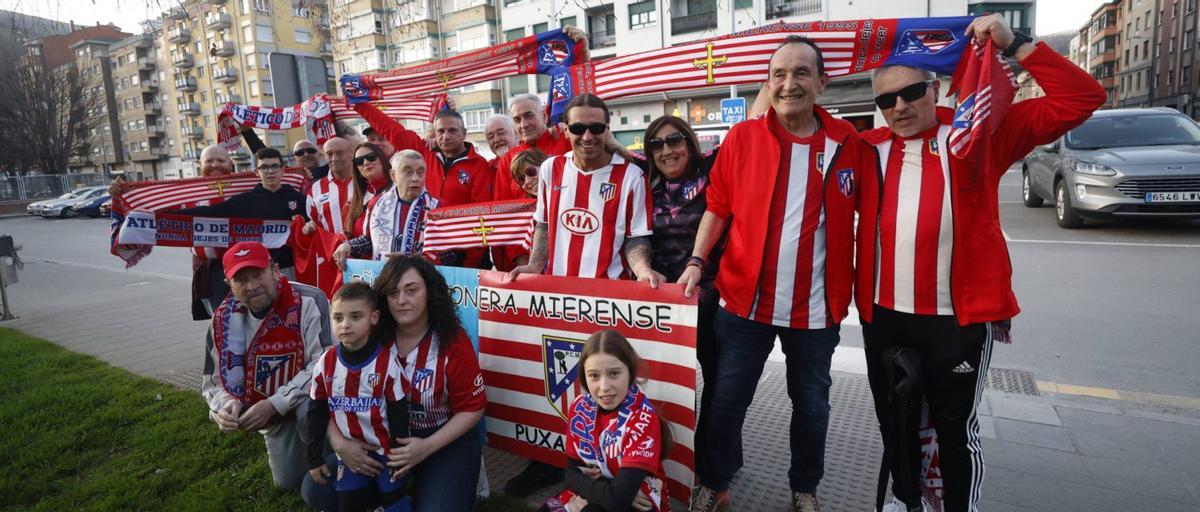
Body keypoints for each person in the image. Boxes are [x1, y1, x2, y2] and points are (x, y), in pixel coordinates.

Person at [857, 15, 1106, 512]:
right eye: (886, 100)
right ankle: (908, 501)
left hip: (956, 318)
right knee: (894, 419)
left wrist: (1015, 44)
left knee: (954, 428)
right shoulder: (863, 150)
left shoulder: (978, 132)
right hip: (883, 315)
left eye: (911, 93)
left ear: (936, 88)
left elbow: (1082, 98)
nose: (900, 107)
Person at [679, 36, 866, 512]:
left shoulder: (850, 145)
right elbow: (717, 209)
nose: (789, 84)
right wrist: (698, 262)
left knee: (813, 408)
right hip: (744, 305)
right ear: (768, 84)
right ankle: (714, 483)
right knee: (725, 402)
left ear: (822, 83)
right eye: (779, 74)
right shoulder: (741, 139)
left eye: (802, 72)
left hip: (817, 309)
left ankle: (804, 488)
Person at [327, 255, 488, 511]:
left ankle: (445, 484)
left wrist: (426, 448)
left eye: (411, 290)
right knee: (318, 490)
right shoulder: (369, 337)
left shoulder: (452, 341)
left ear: (429, 292)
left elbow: (474, 408)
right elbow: (329, 397)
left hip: (441, 439)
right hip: (382, 439)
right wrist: (340, 443)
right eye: (393, 293)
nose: (402, 300)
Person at [623, 116, 725, 476]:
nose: (666, 150)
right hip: (664, 301)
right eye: (656, 144)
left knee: (719, 384)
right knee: (674, 384)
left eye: (675, 140)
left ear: (691, 142)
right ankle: (679, 456)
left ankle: (716, 461)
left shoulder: (713, 169)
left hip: (713, 297)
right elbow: (613, 147)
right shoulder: (645, 183)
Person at [200, 241, 326, 493]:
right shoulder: (221, 320)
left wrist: (274, 403)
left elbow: (323, 364)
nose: (251, 286)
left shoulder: (311, 300)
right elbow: (212, 383)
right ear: (228, 284)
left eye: (258, 274)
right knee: (286, 483)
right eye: (241, 279)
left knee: (309, 412)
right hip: (270, 418)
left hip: (305, 403)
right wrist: (225, 406)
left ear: (275, 271)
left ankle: (331, 458)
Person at [509, 93, 661, 284]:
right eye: (578, 128)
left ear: (607, 130)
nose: (587, 137)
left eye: (596, 128)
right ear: (566, 131)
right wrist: (535, 265)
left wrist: (642, 269)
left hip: (608, 294)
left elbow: (636, 238)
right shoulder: (550, 168)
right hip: (556, 291)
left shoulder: (631, 176)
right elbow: (544, 225)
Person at [306, 282, 412, 512]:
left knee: (395, 501)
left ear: (373, 318)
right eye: (338, 318)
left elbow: (399, 412)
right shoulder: (326, 363)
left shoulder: (386, 362)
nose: (345, 325)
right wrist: (314, 458)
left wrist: (399, 456)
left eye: (355, 316)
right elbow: (316, 412)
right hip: (350, 453)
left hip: (387, 453)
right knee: (349, 504)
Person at [541, 330, 672, 512]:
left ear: (630, 372)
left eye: (613, 374)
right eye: (594, 375)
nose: (604, 387)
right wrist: (601, 490)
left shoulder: (643, 418)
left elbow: (616, 501)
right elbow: (570, 474)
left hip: (642, 504)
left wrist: (585, 490)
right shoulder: (579, 407)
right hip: (606, 491)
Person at [173, 147, 308, 279]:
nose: (270, 171)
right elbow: (209, 212)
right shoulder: (245, 201)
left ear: (283, 169)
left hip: (292, 267)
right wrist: (170, 214)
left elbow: (316, 224)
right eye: (264, 167)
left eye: (275, 166)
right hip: (259, 270)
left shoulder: (298, 199)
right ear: (257, 172)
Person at [350, 105, 493, 209]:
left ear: (464, 133)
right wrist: (360, 104)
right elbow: (391, 129)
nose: (446, 136)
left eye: (453, 130)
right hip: (424, 240)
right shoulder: (423, 152)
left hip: (459, 241)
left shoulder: (479, 165)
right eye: (441, 131)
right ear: (435, 134)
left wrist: (473, 251)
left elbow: (480, 209)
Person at [333, 150, 438, 266]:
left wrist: (413, 259)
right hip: (385, 276)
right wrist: (348, 246)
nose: (415, 178)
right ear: (393, 176)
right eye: (408, 172)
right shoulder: (376, 203)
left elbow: (450, 253)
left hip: (422, 277)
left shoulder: (437, 206)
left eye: (420, 173)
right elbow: (369, 240)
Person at [492, 93, 571, 202]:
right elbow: (502, 206)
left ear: (544, 117)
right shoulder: (507, 160)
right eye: (517, 120)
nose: (524, 125)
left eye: (529, 116)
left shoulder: (566, 140)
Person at [489, 148, 545, 272]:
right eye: (521, 179)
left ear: (546, 166)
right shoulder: (526, 213)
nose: (527, 182)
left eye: (530, 172)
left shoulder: (567, 198)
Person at [305, 137, 357, 238]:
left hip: (364, 250)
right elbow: (315, 223)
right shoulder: (315, 188)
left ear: (352, 153)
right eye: (329, 154)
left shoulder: (365, 181)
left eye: (340, 153)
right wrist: (308, 227)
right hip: (331, 251)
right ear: (324, 156)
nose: (334, 158)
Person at [345, 142, 395, 239]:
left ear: (382, 159)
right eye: (359, 161)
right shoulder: (355, 200)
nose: (365, 163)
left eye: (371, 157)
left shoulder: (398, 189)